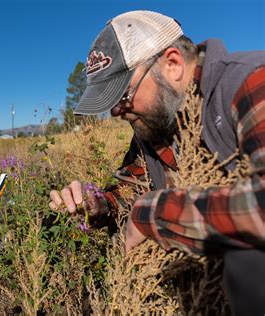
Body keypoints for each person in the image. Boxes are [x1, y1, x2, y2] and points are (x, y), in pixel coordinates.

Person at [49, 10, 264, 315]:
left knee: (250, 265)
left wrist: (154, 214)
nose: (116, 112)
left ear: (173, 64)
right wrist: (95, 202)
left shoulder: (252, 81)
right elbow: (128, 190)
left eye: (123, 95)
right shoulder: (159, 124)